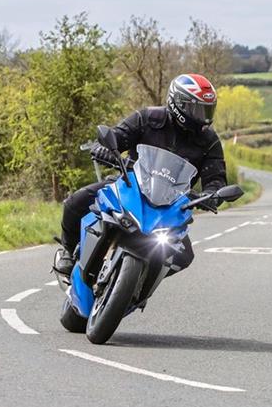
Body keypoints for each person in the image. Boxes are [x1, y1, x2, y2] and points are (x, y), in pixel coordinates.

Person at [53, 73, 227, 277]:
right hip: (130, 185)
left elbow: (216, 178)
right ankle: (67, 250)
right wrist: (105, 148)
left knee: (183, 256)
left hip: (171, 205)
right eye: (198, 109)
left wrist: (213, 194)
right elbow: (118, 135)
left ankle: (140, 281)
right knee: (76, 202)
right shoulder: (148, 118)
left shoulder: (209, 141)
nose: (204, 117)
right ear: (178, 103)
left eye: (208, 110)